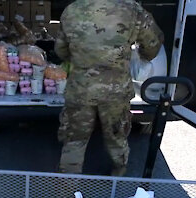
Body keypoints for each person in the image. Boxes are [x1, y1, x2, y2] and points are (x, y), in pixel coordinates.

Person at [55, 0, 164, 176]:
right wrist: (140, 54)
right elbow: (153, 44)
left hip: (81, 89)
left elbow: (61, 50)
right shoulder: (132, 9)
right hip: (115, 91)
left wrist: (81, 57)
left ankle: (68, 192)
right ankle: (118, 176)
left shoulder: (72, 9)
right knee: (116, 136)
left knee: (74, 140)